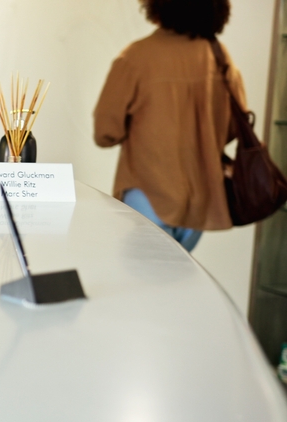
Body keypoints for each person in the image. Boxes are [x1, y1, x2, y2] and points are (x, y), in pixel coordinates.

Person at [93, 0, 245, 251]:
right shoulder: (219, 56)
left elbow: (105, 132)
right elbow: (233, 127)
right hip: (201, 201)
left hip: (148, 195)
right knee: (175, 283)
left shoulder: (137, 56)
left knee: (140, 284)